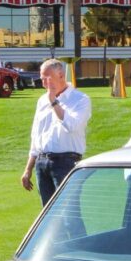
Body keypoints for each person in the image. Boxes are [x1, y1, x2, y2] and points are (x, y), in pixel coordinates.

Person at [21, 58, 92, 206]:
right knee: (47, 214)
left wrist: (54, 102)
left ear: (61, 75)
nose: (44, 83)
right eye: (42, 79)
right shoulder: (42, 100)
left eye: (48, 78)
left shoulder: (80, 99)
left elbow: (72, 126)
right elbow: (36, 136)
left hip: (66, 162)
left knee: (69, 213)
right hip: (42, 162)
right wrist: (28, 169)